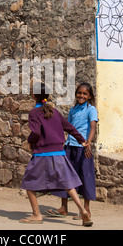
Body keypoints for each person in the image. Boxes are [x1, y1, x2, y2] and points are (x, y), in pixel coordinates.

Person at [19, 83, 93, 227]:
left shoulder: (34, 113)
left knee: (29, 183)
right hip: (59, 153)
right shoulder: (54, 111)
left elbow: (35, 132)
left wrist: (30, 141)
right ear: (47, 96)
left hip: (42, 154)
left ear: (33, 96)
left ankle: (36, 214)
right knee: (68, 184)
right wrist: (82, 140)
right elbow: (69, 127)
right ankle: (82, 209)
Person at [47, 83, 98, 221]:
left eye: (85, 94)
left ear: (90, 96)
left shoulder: (91, 109)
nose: (81, 96)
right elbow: (68, 127)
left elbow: (93, 127)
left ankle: (86, 209)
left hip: (83, 148)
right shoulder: (73, 110)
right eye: (79, 93)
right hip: (70, 146)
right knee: (65, 176)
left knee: (85, 177)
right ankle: (64, 207)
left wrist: (88, 143)